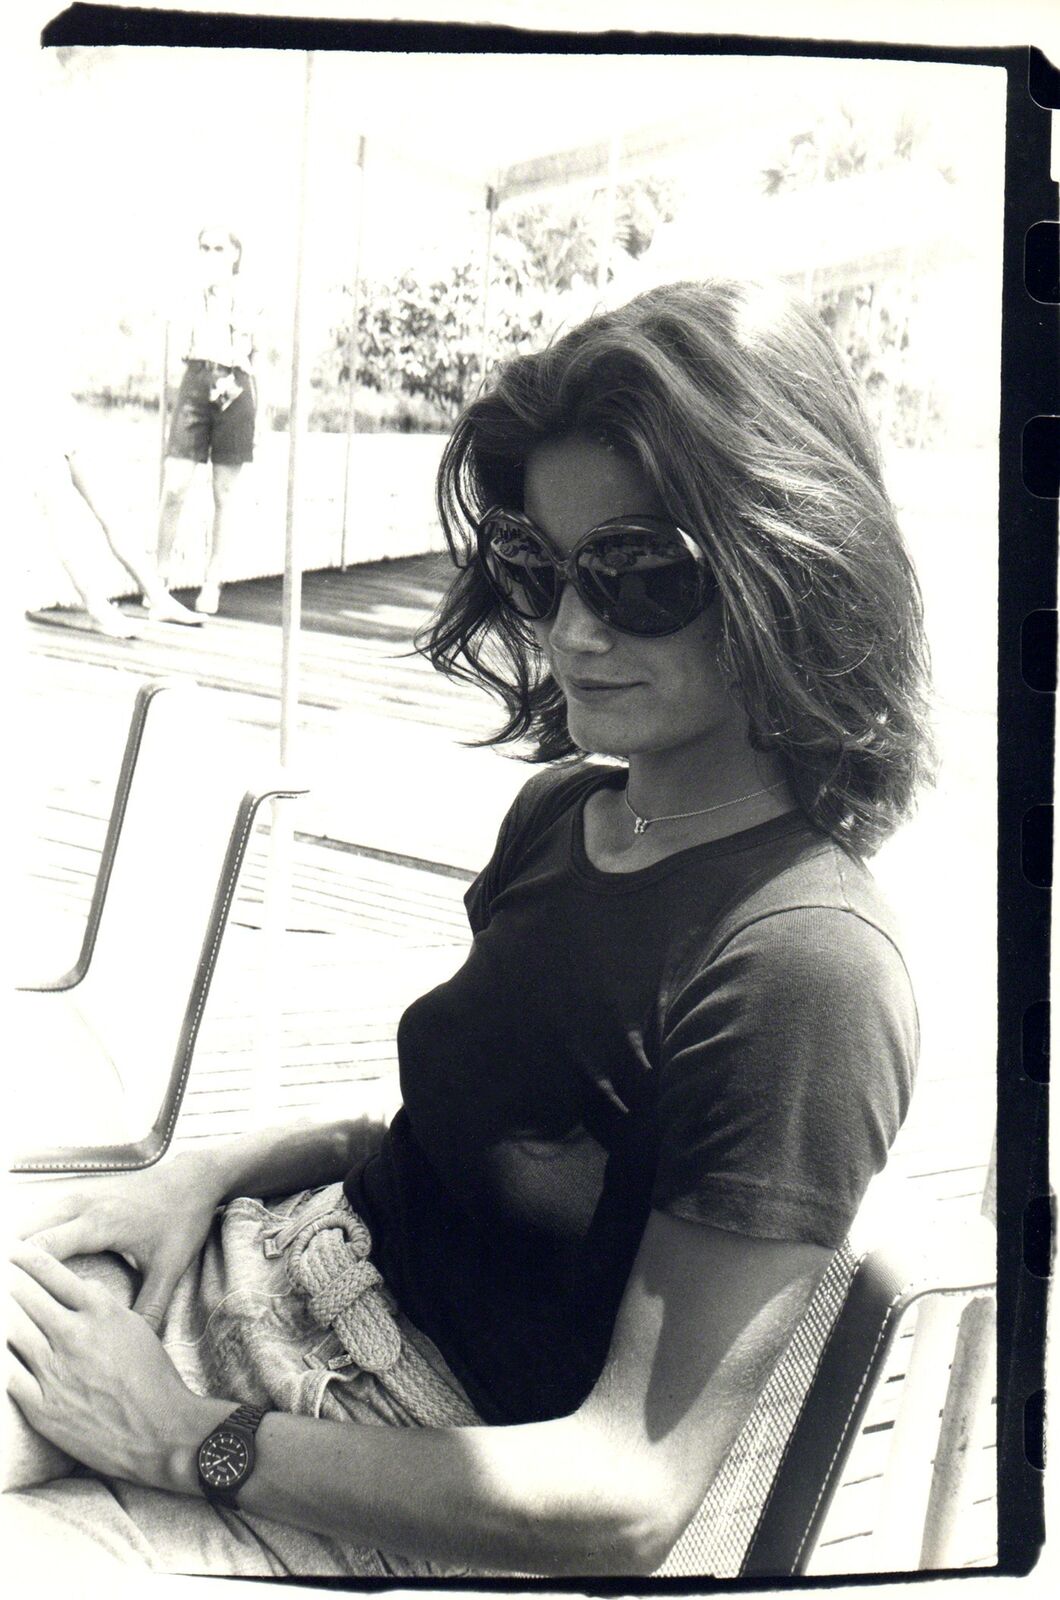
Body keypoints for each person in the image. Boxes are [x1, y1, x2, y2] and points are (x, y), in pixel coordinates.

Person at [7, 279, 934, 1578]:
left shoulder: (804, 968)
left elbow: (625, 1495)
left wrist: (180, 1441)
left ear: (791, 567)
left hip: (387, 1455)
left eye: (640, 576)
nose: (570, 631)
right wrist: (192, 1178)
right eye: (537, 569)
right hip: (257, 1274)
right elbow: (434, 1138)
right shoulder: (567, 817)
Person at [155, 226, 260, 616]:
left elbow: (256, 354)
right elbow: (175, 345)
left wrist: (260, 415)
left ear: (234, 253)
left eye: (219, 248)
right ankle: (159, 578)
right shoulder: (188, 294)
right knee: (174, 486)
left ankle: (212, 581)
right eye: (205, 248)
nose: (211, 255)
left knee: (224, 493)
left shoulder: (248, 297)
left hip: (235, 385)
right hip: (196, 382)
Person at [33, 424, 202, 636]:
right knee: (60, 517)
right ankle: (98, 610)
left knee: (110, 512)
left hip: (53, 423)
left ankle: (159, 599)